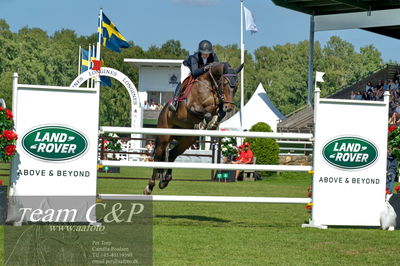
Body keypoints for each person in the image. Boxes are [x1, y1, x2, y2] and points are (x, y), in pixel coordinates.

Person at [169, 40, 219, 111]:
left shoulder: (213, 56)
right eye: (204, 53)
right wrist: (205, 68)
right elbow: (195, 72)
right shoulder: (194, 58)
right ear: (200, 52)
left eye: (208, 53)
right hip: (189, 68)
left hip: (201, 69)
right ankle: (174, 101)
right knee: (184, 80)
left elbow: (217, 67)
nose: (206, 55)